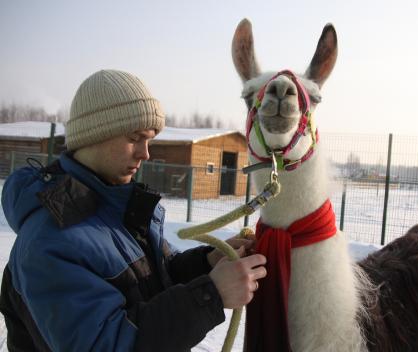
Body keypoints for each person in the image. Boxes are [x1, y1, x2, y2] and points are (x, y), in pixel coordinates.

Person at [0, 69, 267, 351]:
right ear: (94, 134)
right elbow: (109, 344)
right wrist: (211, 295)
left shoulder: (116, 208)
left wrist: (207, 263)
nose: (146, 152)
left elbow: (155, 280)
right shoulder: (50, 240)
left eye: (150, 139)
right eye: (135, 137)